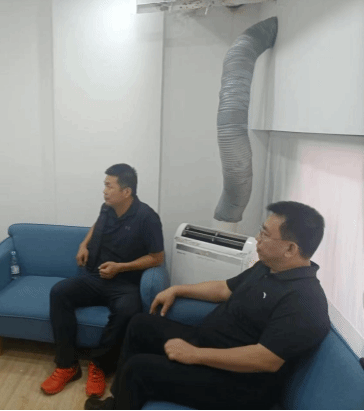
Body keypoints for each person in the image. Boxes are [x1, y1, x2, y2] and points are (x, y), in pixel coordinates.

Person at [86, 201, 330, 410]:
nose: (258, 239)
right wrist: (177, 289)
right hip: (209, 342)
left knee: (138, 370)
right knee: (140, 325)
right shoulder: (266, 268)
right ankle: (118, 403)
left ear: (290, 249)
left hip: (239, 384)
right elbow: (224, 289)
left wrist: (195, 355)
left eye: (265, 234)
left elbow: (265, 359)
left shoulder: (304, 300)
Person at [41, 164, 165, 399]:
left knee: (127, 310)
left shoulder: (147, 218)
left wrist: (121, 267)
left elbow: (157, 258)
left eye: (109, 186)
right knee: (59, 292)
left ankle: (99, 366)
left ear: (126, 192)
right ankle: (67, 365)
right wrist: (83, 244)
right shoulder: (107, 207)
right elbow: (97, 225)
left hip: (125, 283)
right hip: (95, 277)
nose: (104, 191)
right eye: (104, 185)